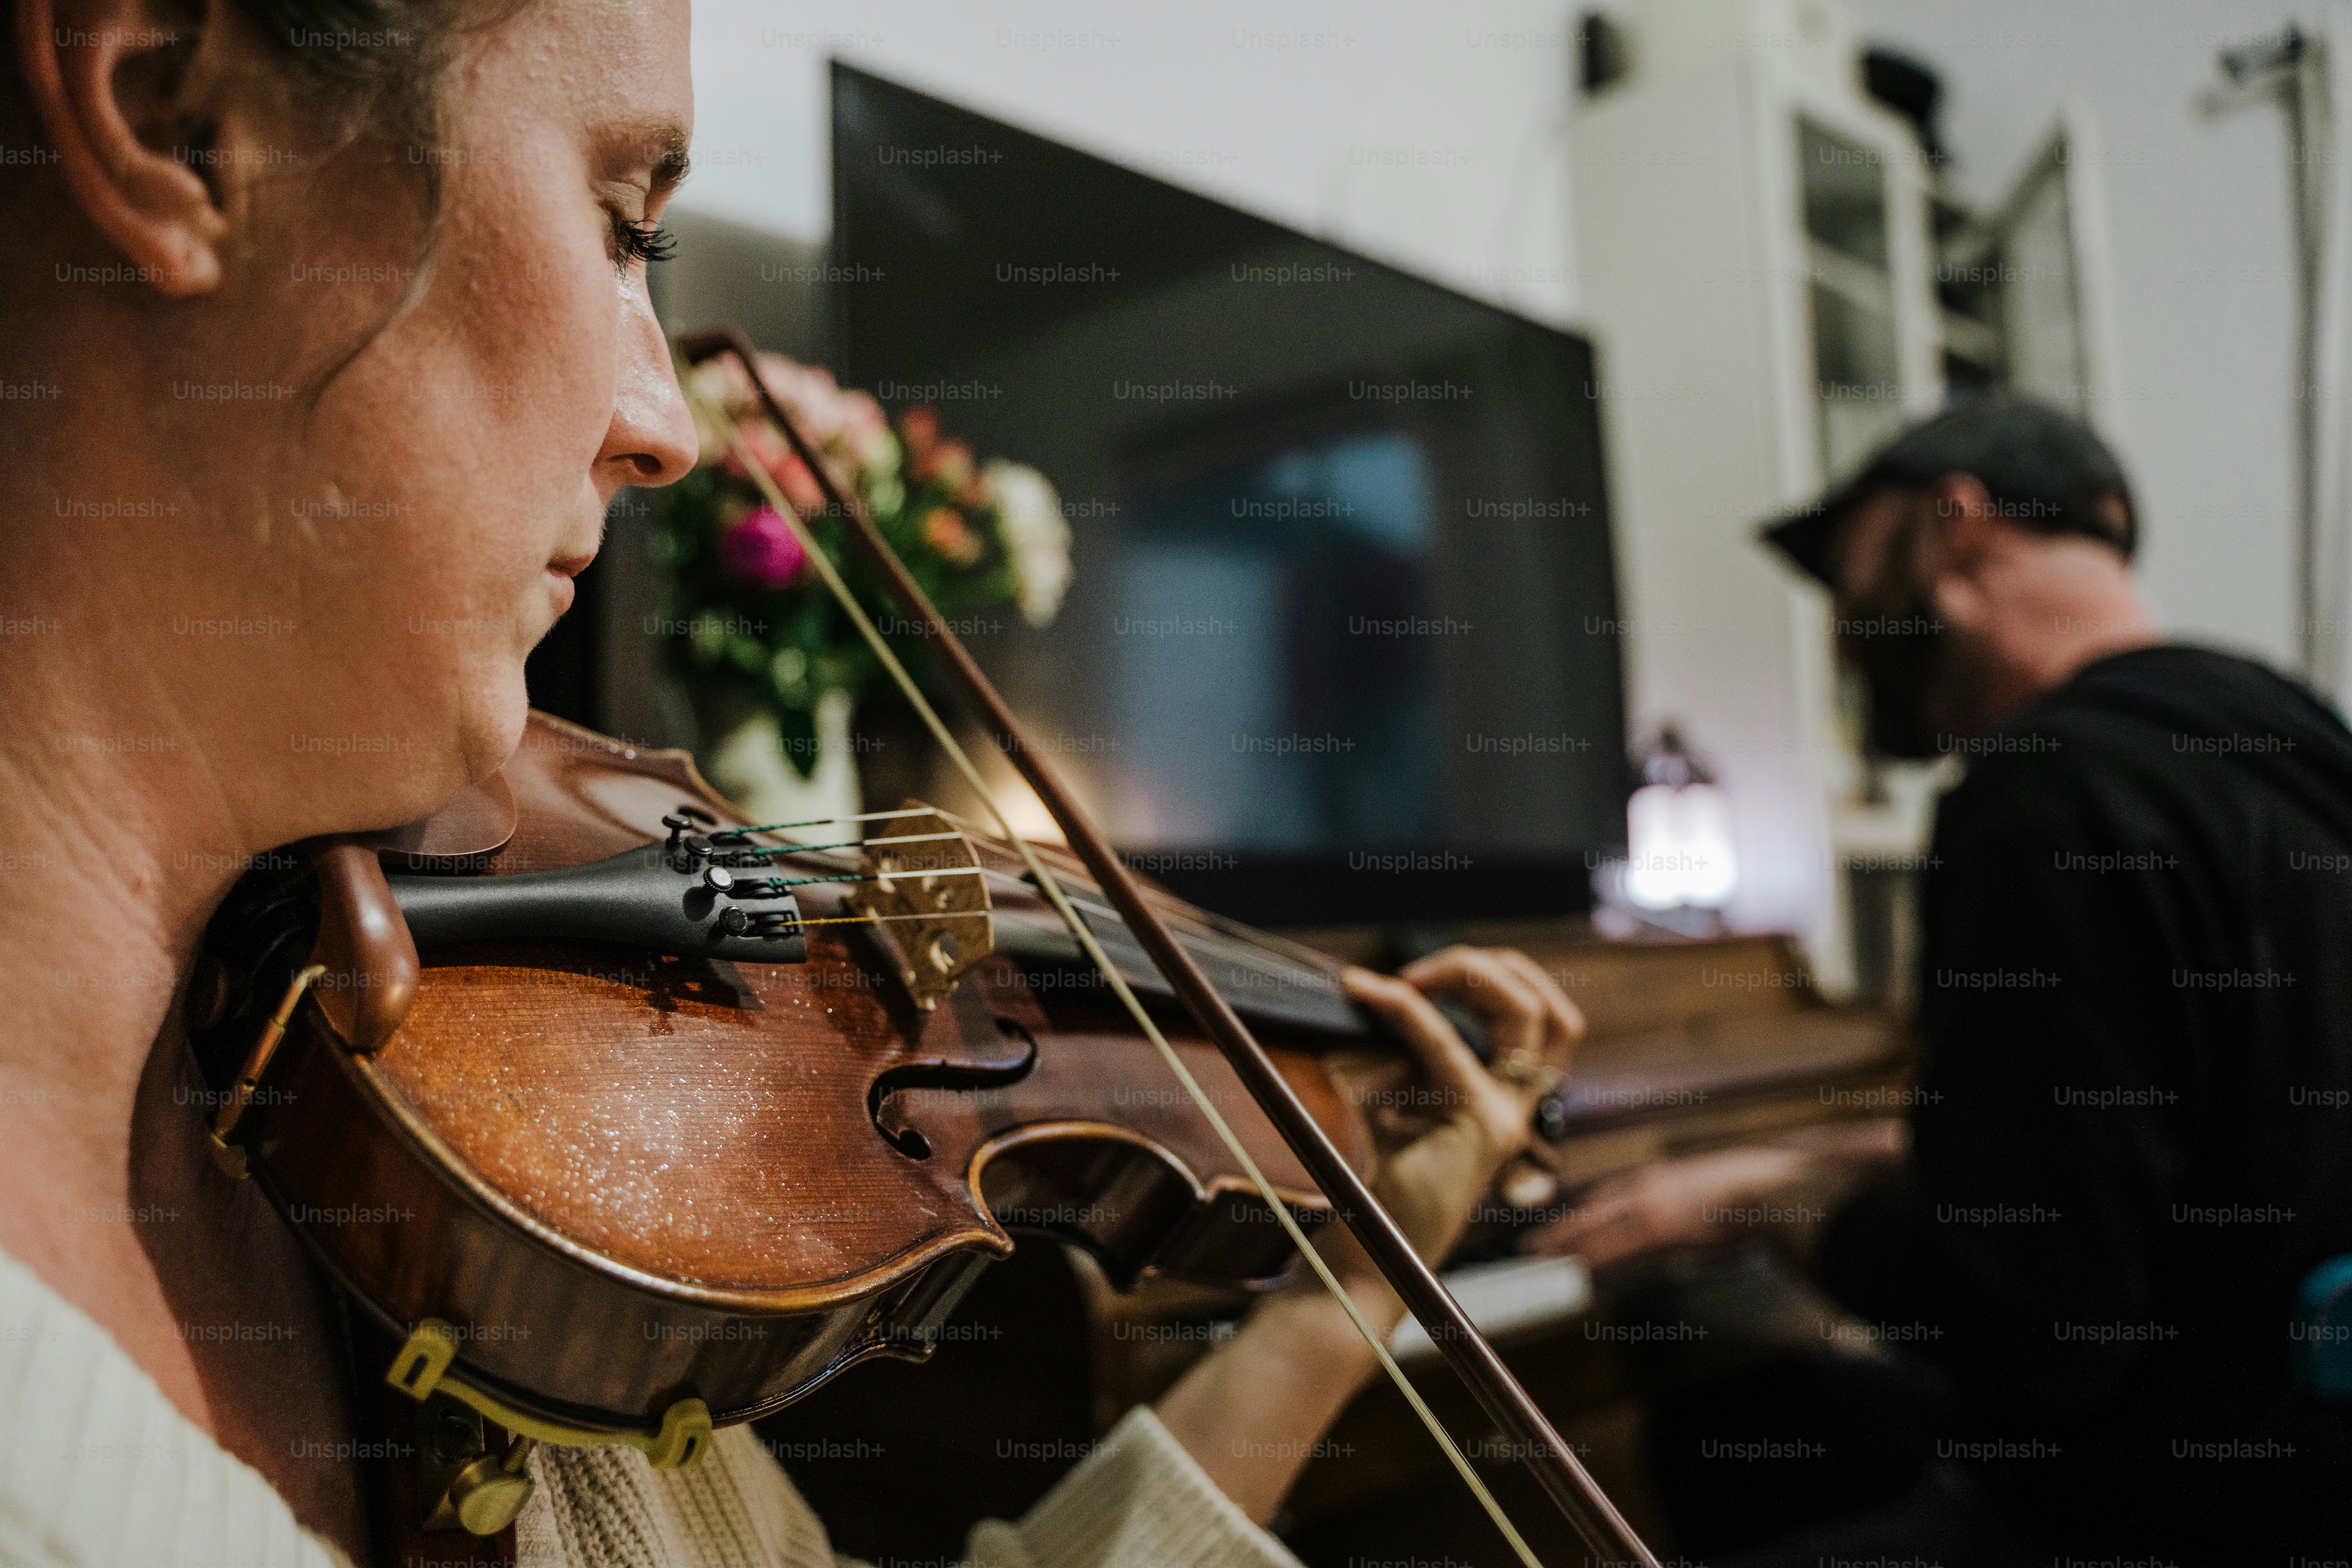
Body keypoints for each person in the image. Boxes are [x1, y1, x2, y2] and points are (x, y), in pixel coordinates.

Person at [0, 3, 1588, 1566]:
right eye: (625, 226)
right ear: (176, 119)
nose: (670, 430)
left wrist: (1339, 1308)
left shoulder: (450, 1121)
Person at [1525, 396, 2352, 1564]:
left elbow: (2028, 1323)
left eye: (1850, 568)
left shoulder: (2045, 792)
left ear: (1953, 526)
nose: (1843, 630)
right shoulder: (2283, 740)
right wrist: (1782, 1166)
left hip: (2161, 1506)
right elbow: (2163, 1132)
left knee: (1725, 1425)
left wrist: (1774, 1206)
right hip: (2299, 1450)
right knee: (1744, 1431)